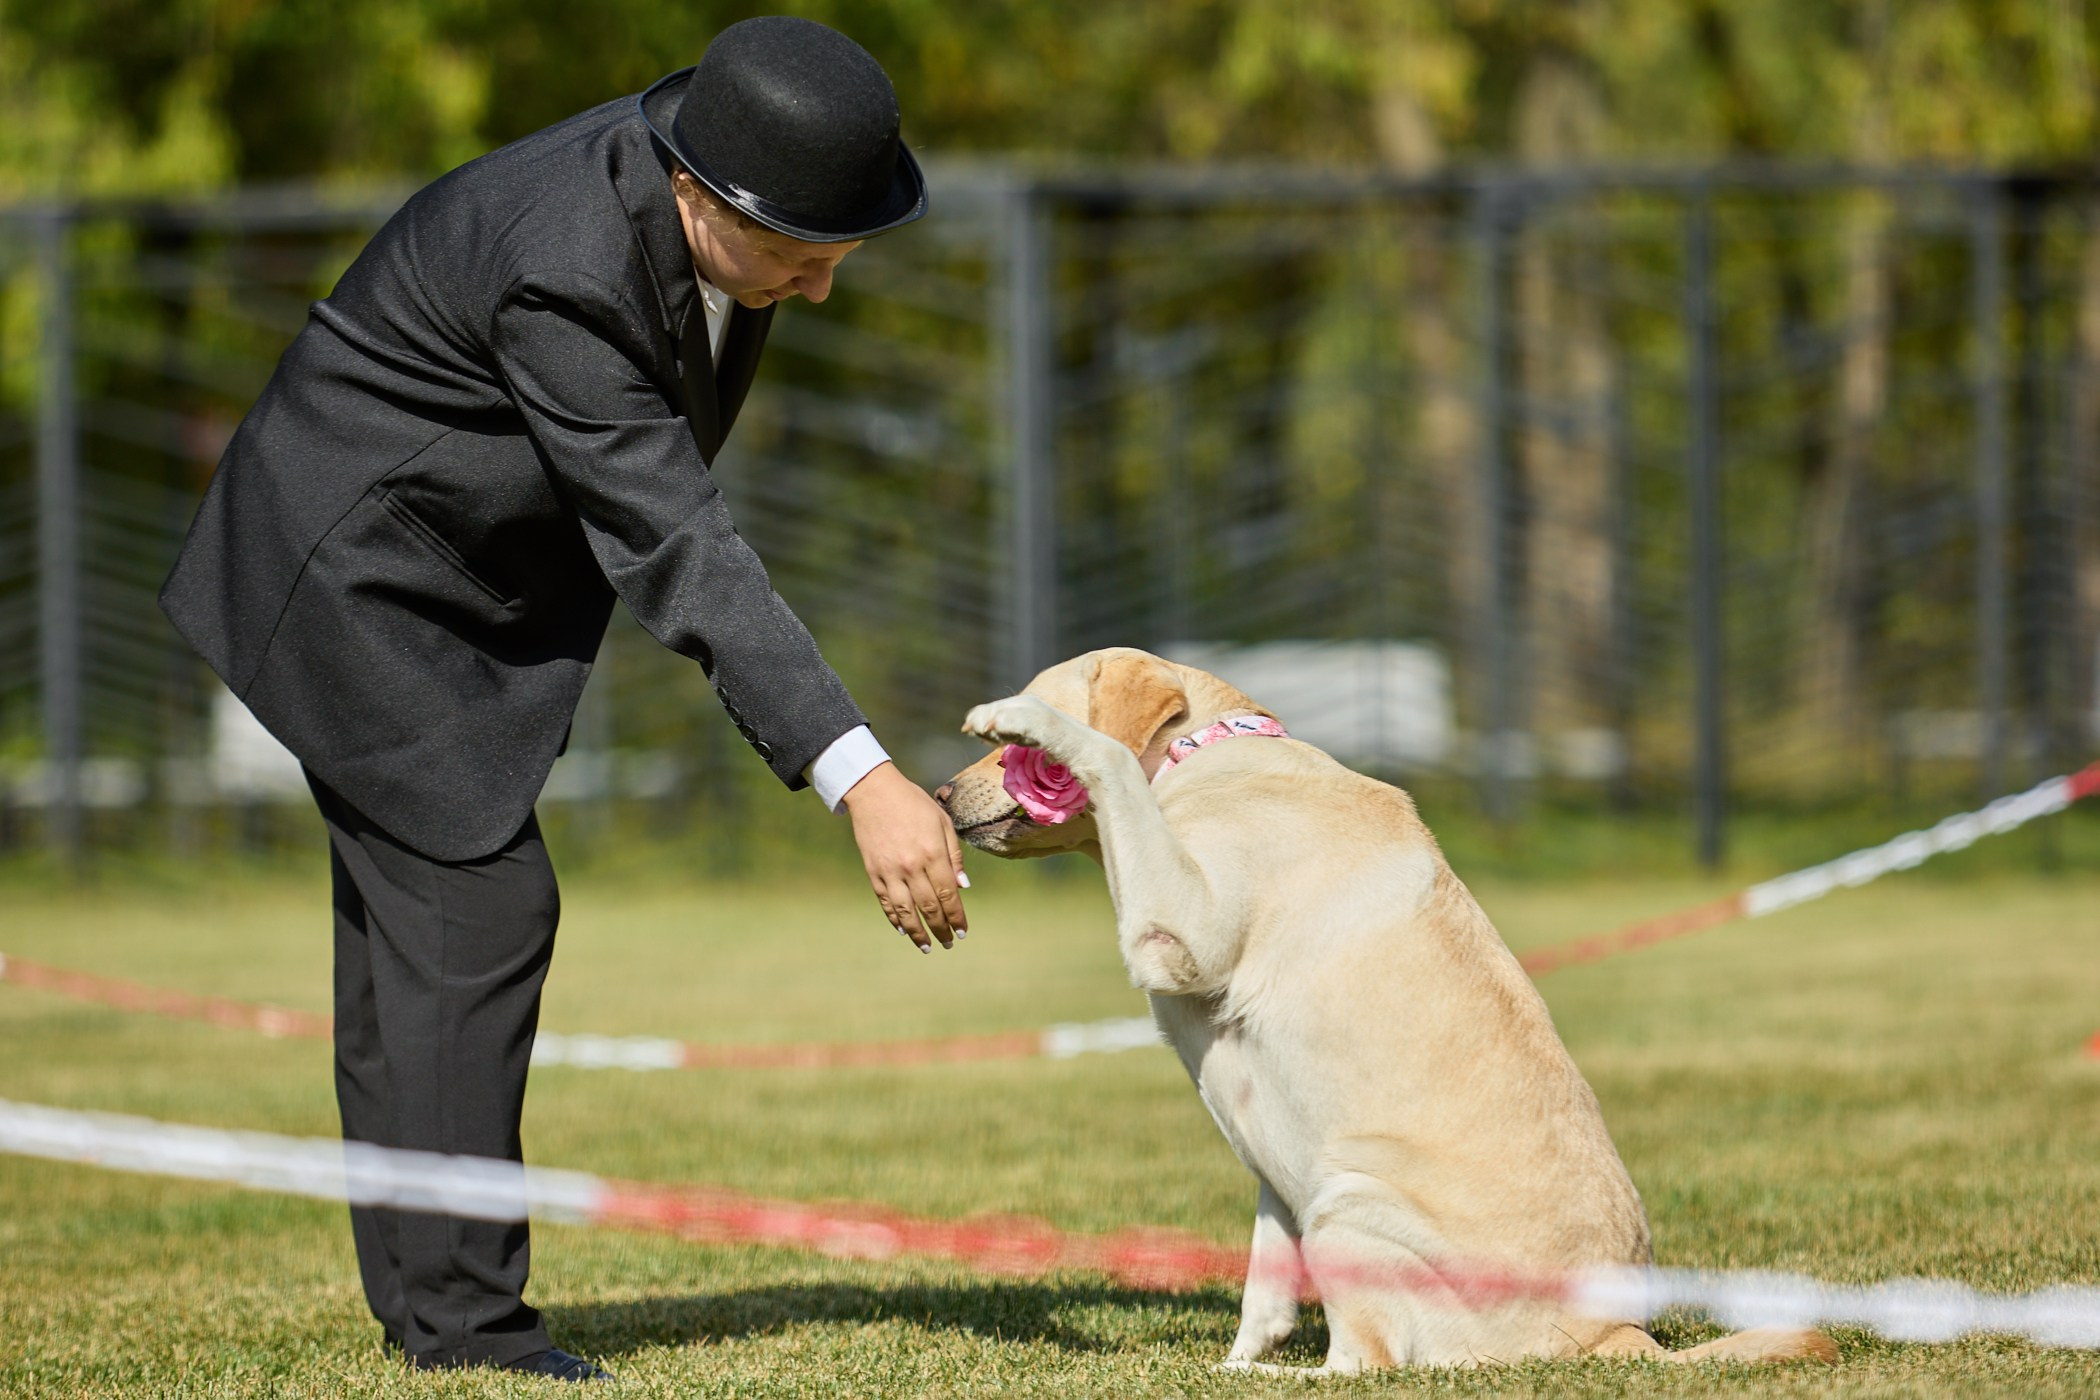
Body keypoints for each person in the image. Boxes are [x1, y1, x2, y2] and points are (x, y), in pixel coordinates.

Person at [159, 16, 967, 1382]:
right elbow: (678, 544)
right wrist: (861, 774)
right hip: (351, 580)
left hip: (423, 570)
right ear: (700, 192)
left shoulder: (689, 206)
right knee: (477, 908)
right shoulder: (566, 262)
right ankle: (467, 1328)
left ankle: (431, 1307)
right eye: (801, 255)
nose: (822, 289)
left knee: (421, 939)